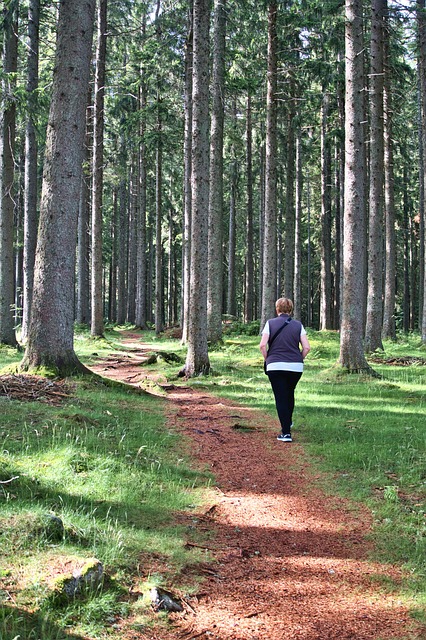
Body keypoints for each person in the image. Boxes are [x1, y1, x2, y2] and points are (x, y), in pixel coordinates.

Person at [259, 298, 310, 442]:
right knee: (289, 393)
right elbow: (307, 347)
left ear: (277, 309)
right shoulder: (298, 325)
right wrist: (299, 358)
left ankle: (286, 433)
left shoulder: (270, 323)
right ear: (291, 309)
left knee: (280, 396)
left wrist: (267, 358)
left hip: (275, 365)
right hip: (295, 366)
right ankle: (288, 421)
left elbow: (262, 345)